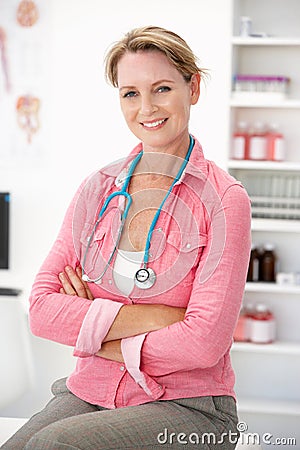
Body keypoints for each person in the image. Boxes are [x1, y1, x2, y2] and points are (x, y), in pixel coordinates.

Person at [2, 26, 251, 449]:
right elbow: (42, 309)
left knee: (56, 446)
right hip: (90, 391)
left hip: (188, 406)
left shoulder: (224, 200)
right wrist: (159, 318)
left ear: (193, 88)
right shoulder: (96, 189)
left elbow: (204, 343)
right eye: (130, 93)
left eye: (162, 88)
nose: (146, 108)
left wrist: (93, 331)